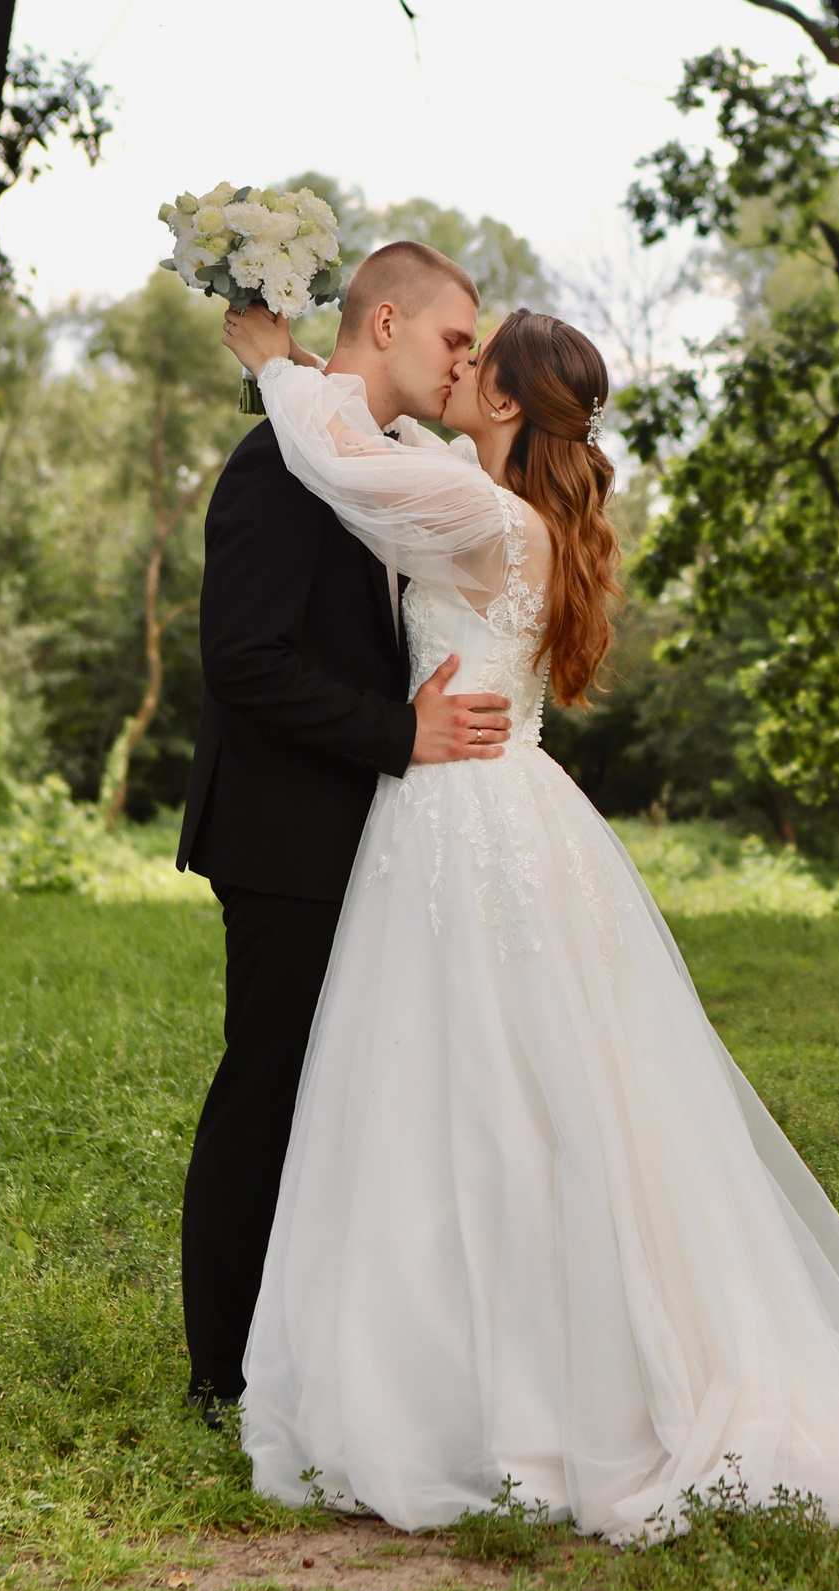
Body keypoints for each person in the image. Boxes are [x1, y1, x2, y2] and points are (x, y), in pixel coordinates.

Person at [215, 298, 839, 1562]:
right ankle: (474, 1363)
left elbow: (331, 457)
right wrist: (330, 371)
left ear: (504, 406)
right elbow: (373, 458)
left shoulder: (484, 519)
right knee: (497, 1099)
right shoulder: (505, 510)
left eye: (477, 362)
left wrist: (273, 361)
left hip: (460, 818)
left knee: (473, 1094)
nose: (459, 366)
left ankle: (491, 1392)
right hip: (488, 814)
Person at [174, 243, 514, 1423]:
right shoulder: (279, 464)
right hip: (280, 830)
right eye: (453, 339)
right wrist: (399, 734)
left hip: (366, 833)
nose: (466, 360)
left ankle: (316, 1342)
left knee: (348, 1099)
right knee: (268, 1090)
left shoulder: (380, 461)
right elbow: (243, 662)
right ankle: (222, 1370)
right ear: (383, 322)